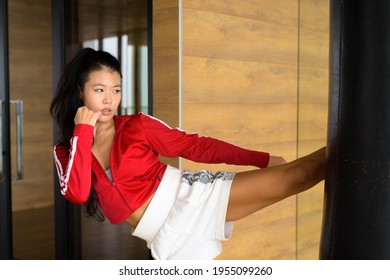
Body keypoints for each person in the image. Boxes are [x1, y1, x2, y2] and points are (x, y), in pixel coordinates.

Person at [50, 48, 326, 260]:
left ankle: (361, 140)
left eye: (116, 90)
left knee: (301, 174)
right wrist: (82, 132)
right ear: (80, 91)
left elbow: (196, 146)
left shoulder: (137, 125)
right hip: (163, 237)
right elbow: (77, 193)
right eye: (99, 90)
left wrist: (262, 159)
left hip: (192, 200)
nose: (109, 100)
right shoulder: (67, 149)